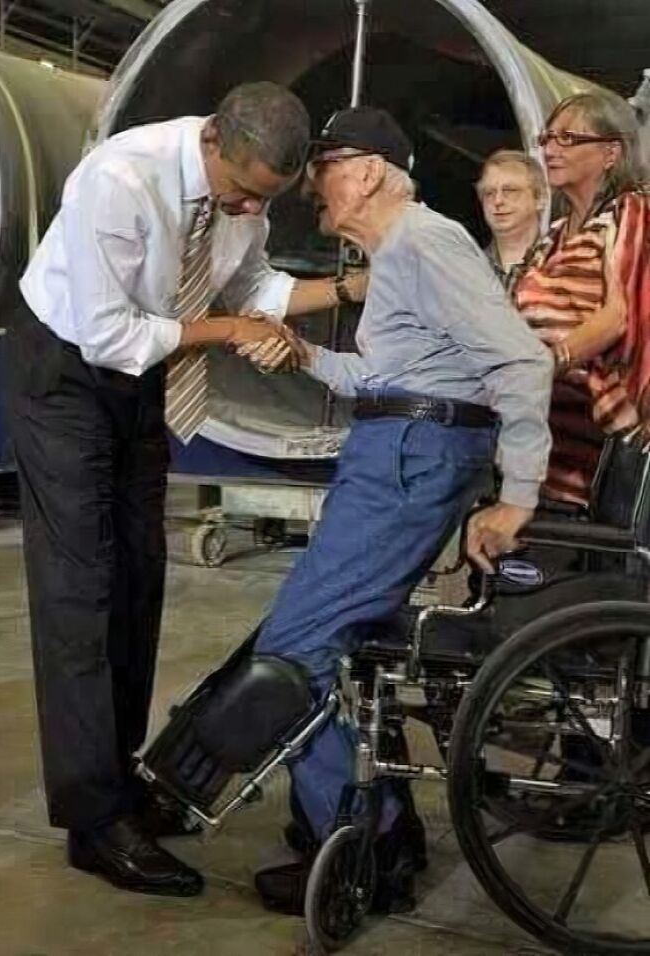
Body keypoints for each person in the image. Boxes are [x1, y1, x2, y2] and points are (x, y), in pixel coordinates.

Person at [3, 81, 368, 898]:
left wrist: (351, 289)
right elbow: (108, 332)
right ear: (211, 141)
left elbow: (255, 289)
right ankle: (93, 823)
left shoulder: (246, 198)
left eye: (264, 199)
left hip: (141, 378)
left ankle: (119, 781)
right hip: (64, 370)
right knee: (80, 589)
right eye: (240, 191)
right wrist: (231, 332)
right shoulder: (120, 179)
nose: (247, 207)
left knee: (139, 574)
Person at [236, 106, 553, 913]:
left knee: (295, 653)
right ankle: (362, 827)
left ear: (372, 170)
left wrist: (518, 495)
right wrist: (305, 354)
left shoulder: (425, 240)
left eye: (326, 165)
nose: (313, 184)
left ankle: (368, 851)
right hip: (395, 452)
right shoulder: (401, 255)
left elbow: (519, 362)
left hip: (408, 464)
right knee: (317, 645)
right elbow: (388, 380)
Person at [514, 90, 650, 508]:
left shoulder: (631, 211)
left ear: (611, 152)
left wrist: (546, 364)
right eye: (547, 138)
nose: (551, 149)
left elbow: (618, 316)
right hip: (547, 451)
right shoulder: (551, 237)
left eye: (568, 138)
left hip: (607, 445)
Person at [476, 149, 545, 292]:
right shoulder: (467, 269)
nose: (498, 201)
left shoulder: (562, 262)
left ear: (540, 198)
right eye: (489, 193)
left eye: (510, 191)